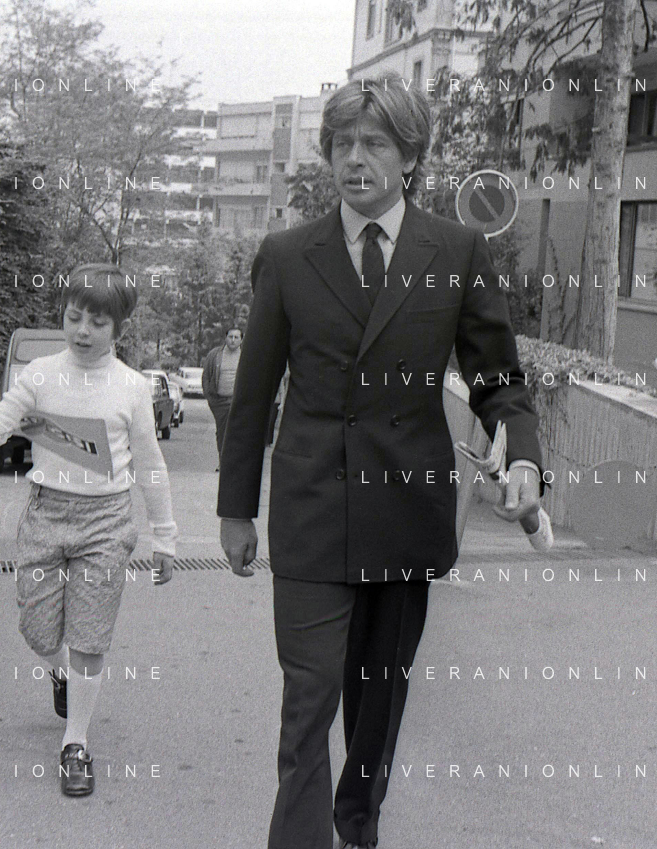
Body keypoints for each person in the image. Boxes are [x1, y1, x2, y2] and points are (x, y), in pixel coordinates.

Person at [217, 77, 544, 849]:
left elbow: (498, 380)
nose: (353, 159)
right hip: (310, 509)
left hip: (404, 509)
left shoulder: (456, 251)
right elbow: (253, 392)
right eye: (341, 144)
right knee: (308, 701)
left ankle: (356, 825)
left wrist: (523, 458)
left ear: (410, 157)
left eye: (373, 144)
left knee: (376, 704)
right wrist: (236, 509)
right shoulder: (287, 256)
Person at [0, 264, 177, 797]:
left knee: (90, 636)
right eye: (74, 317)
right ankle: (60, 674)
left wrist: (165, 536)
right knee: (38, 631)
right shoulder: (40, 374)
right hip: (46, 514)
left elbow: (150, 465)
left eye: (97, 322)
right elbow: (5, 419)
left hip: (107, 522)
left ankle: (75, 743)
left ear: (118, 328)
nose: (82, 330)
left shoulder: (131, 388)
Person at [202, 327, 244, 464]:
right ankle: (223, 461)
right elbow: (206, 376)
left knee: (237, 431)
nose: (233, 340)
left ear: (241, 340)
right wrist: (210, 397)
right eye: (230, 337)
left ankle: (234, 462)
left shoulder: (246, 356)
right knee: (222, 432)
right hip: (219, 402)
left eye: (236, 337)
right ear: (225, 338)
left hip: (238, 402)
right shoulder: (215, 355)